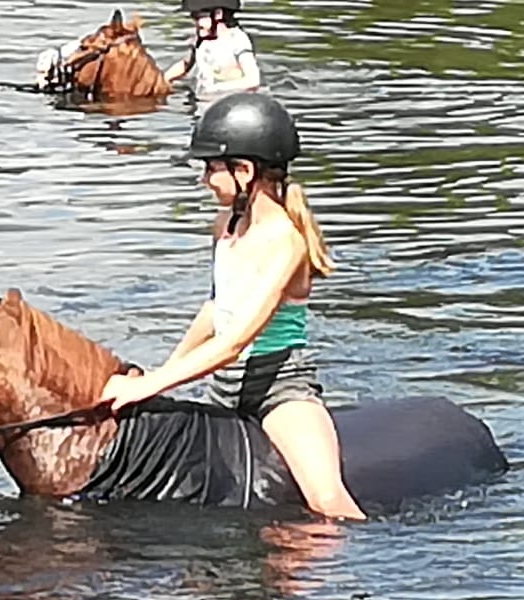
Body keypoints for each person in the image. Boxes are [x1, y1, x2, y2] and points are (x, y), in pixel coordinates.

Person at [98, 94, 363, 520]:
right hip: (224, 388)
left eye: (211, 169)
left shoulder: (285, 242)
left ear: (245, 171)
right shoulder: (226, 225)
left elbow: (234, 342)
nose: (205, 180)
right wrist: (165, 368)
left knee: (326, 501)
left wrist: (151, 386)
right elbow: (217, 308)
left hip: (278, 387)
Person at [164, 0, 262, 99]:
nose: (195, 23)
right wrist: (163, 79)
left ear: (218, 14)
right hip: (202, 104)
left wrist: (216, 89)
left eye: (198, 17)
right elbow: (185, 65)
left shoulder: (238, 41)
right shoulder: (201, 39)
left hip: (230, 103)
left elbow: (253, 80)